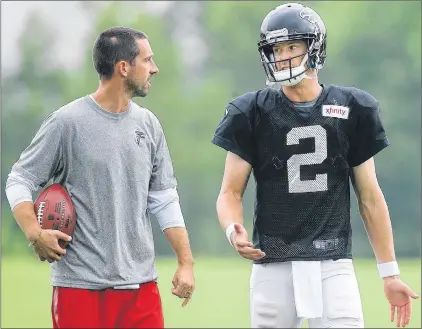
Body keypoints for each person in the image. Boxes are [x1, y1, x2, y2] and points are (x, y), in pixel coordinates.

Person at [211, 3, 418, 328]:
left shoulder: (353, 108)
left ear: (314, 48)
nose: (283, 56)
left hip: (332, 264)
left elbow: (369, 197)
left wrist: (389, 273)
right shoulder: (250, 111)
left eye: (292, 46)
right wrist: (231, 229)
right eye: (276, 49)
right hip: (272, 265)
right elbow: (229, 192)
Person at [5, 27, 195, 328]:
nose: (154, 68)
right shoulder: (66, 123)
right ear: (123, 67)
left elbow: (164, 198)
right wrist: (34, 233)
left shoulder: (149, 125)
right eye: (147, 60)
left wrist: (185, 262)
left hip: (141, 288)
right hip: (79, 289)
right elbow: (19, 179)